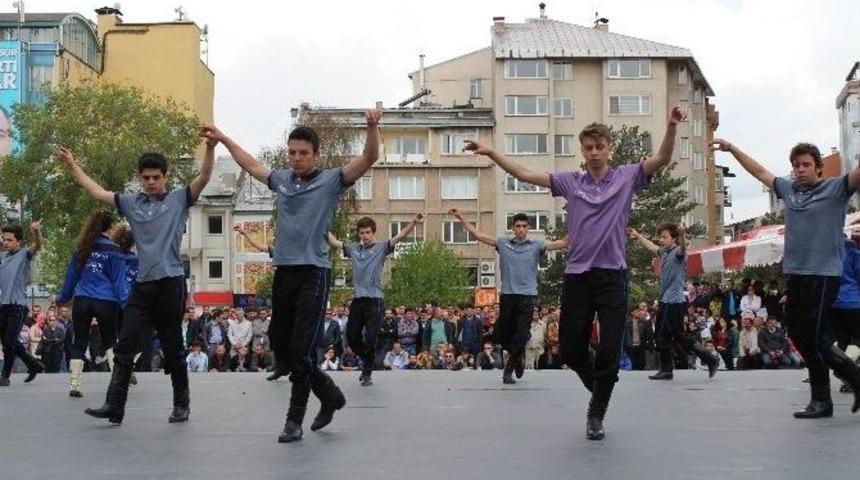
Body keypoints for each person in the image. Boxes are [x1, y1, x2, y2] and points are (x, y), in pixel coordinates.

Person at [465, 107, 684, 439]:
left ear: (609, 147)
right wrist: (493, 152)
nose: (594, 153)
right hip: (578, 276)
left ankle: (596, 414)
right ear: (582, 151)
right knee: (570, 350)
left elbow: (662, 158)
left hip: (612, 276)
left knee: (610, 350)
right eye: (589, 148)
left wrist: (670, 125)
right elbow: (525, 174)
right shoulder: (571, 182)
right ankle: (600, 385)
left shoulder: (626, 177)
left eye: (600, 147)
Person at [201, 109, 381, 443]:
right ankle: (329, 394)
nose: (296, 159)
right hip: (284, 271)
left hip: (314, 272)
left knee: (301, 350)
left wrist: (372, 127)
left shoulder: (331, 180)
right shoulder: (282, 180)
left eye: (303, 154)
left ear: (316, 155)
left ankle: (294, 421)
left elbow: (370, 156)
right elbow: (251, 164)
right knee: (281, 345)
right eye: (292, 153)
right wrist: (224, 139)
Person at [58, 129, 216, 425]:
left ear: (165, 177)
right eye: (146, 178)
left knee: (172, 348)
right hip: (142, 286)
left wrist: (209, 147)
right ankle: (114, 406)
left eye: (157, 177)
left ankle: (182, 404)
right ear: (140, 178)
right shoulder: (131, 203)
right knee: (125, 345)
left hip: (170, 283)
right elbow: (97, 192)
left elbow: (205, 177)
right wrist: (73, 166)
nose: (152, 182)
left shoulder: (180, 199)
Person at [714, 138, 860, 417]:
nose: (800, 169)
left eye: (806, 165)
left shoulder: (836, 188)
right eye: (796, 165)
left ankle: (823, 399)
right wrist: (732, 149)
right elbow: (759, 172)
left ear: (819, 168)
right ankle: (851, 376)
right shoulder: (789, 190)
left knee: (812, 337)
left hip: (823, 274)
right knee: (800, 334)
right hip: (796, 274)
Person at [450, 208, 567, 384]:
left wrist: (586, 220)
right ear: (513, 228)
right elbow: (477, 234)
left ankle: (510, 368)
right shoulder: (503, 243)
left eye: (524, 226)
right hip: (507, 296)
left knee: (521, 335)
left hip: (526, 297)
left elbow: (564, 242)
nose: (521, 229)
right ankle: (517, 356)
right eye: (518, 226)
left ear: (528, 228)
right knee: (501, 336)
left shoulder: (536, 245)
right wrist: (460, 217)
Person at [326, 212, 423, 385]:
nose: (365, 236)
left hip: (375, 301)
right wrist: (321, 224)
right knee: (352, 336)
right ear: (359, 234)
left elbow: (398, 237)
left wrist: (413, 223)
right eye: (362, 233)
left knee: (370, 338)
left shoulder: (381, 248)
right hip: (358, 300)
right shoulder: (353, 248)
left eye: (368, 232)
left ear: (373, 233)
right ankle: (369, 360)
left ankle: (367, 372)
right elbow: (333, 242)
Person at [630, 224, 718, 380]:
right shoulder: (665, 252)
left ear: (674, 238)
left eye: (665, 237)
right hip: (667, 300)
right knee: (679, 336)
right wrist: (638, 235)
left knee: (661, 336)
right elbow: (652, 247)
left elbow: (684, 248)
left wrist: (683, 235)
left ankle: (666, 370)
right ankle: (710, 359)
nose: (661, 240)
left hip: (673, 301)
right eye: (660, 237)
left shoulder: (678, 252)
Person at [55, 210, 127, 398]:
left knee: (79, 342)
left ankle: (75, 385)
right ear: (110, 228)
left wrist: (61, 298)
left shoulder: (82, 249)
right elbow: (120, 283)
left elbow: (71, 278)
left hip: (82, 299)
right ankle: (116, 383)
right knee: (110, 340)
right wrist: (127, 305)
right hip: (106, 300)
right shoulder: (116, 251)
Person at [0, 221, 45, 386]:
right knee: (6, 342)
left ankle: (5, 376)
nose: (5, 242)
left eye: (9, 240)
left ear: (18, 242)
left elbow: (38, 245)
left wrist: (37, 233)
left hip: (18, 305)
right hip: (3, 305)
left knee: (10, 341)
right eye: (4, 239)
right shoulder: (2, 257)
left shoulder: (24, 254)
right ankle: (33, 365)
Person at [830, 231, 860, 392]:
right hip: (854, 302)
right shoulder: (854, 253)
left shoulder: (827, 255)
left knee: (842, 340)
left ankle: (845, 379)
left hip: (833, 304)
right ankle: (845, 369)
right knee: (857, 340)